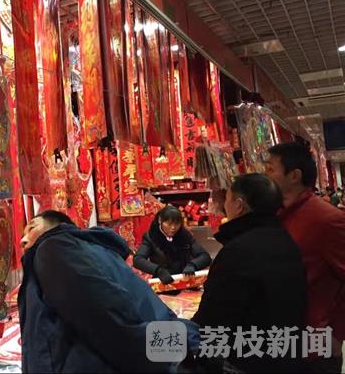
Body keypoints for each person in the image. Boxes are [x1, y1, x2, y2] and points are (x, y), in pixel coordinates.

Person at [18, 210, 200, 373]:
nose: (22, 240)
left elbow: (109, 319)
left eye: (32, 228)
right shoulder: (97, 249)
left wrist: (170, 355)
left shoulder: (51, 248)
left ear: (57, 226)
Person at [192, 173, 306, 373]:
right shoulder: (287, 241)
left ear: (238, 205)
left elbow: (211, 321)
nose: (223, 206)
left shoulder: (237, 251)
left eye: (227, 199)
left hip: (247, 360)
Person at [266, 143, 345, 373]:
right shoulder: (274, 214)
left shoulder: (326, 219)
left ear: (294, 176)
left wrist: (337, 333)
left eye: (270, 169)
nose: (265, 175)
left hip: (315, 350)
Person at [133, 205, 211, 284]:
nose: (173, 228)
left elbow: (205, 256)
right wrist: (158, 270)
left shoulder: (185, 235)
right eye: (169, 224)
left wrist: (193, 265)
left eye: (176, 224)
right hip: (163, 281)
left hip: (186, 280)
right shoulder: (151, 236)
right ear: (160, 221)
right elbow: (138, 260)